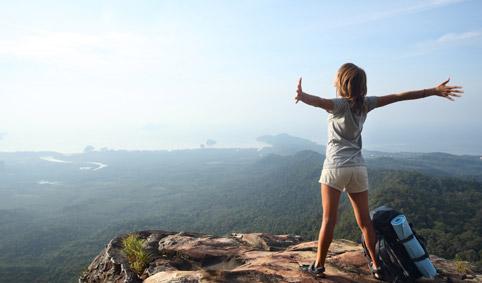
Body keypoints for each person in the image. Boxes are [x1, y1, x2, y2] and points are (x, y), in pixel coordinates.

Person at [295, 63, 463, 279]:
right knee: (365, 222)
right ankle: (376, 265)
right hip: (357, 168)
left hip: (335, 167)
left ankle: (318, 266)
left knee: (329, 220)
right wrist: (432, 91)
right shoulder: (366, 104)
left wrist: (303, 95)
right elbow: (399, 96)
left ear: (342, 83)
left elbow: (318, 102)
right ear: (362, 86)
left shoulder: (337, 105)